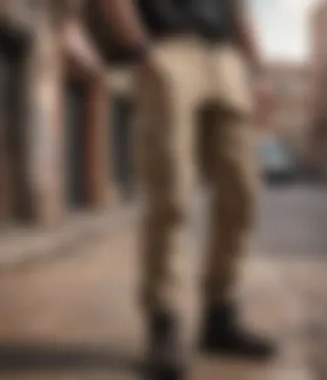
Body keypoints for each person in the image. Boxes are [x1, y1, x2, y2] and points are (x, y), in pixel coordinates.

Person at [87, 1, 276, 378]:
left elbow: (240, 13)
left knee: (243, 193)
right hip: (168, 48)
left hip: (225, 59)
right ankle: (164, 326)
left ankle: (218, 318)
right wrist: (142, 50)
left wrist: (258, 73)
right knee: (170, 195)